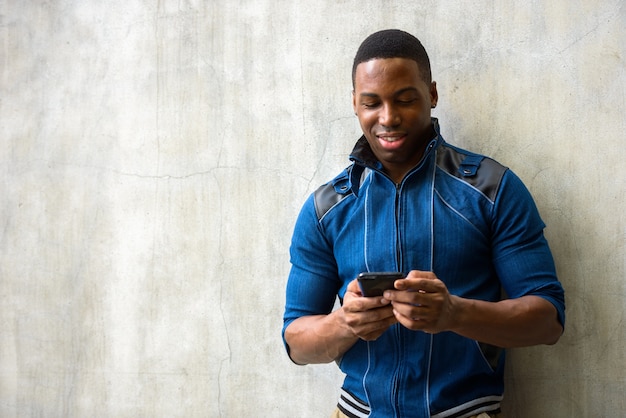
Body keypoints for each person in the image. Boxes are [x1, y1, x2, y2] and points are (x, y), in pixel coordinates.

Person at [282, 29, 565, 418]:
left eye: (404, 99)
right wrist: (344, 323)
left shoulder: (493, 189)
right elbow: (296, 343)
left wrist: (454, 314)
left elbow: (548, 320)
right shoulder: (325, 208)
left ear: (431, 94)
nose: (388, 118)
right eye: (371, 103)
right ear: (354, 103)